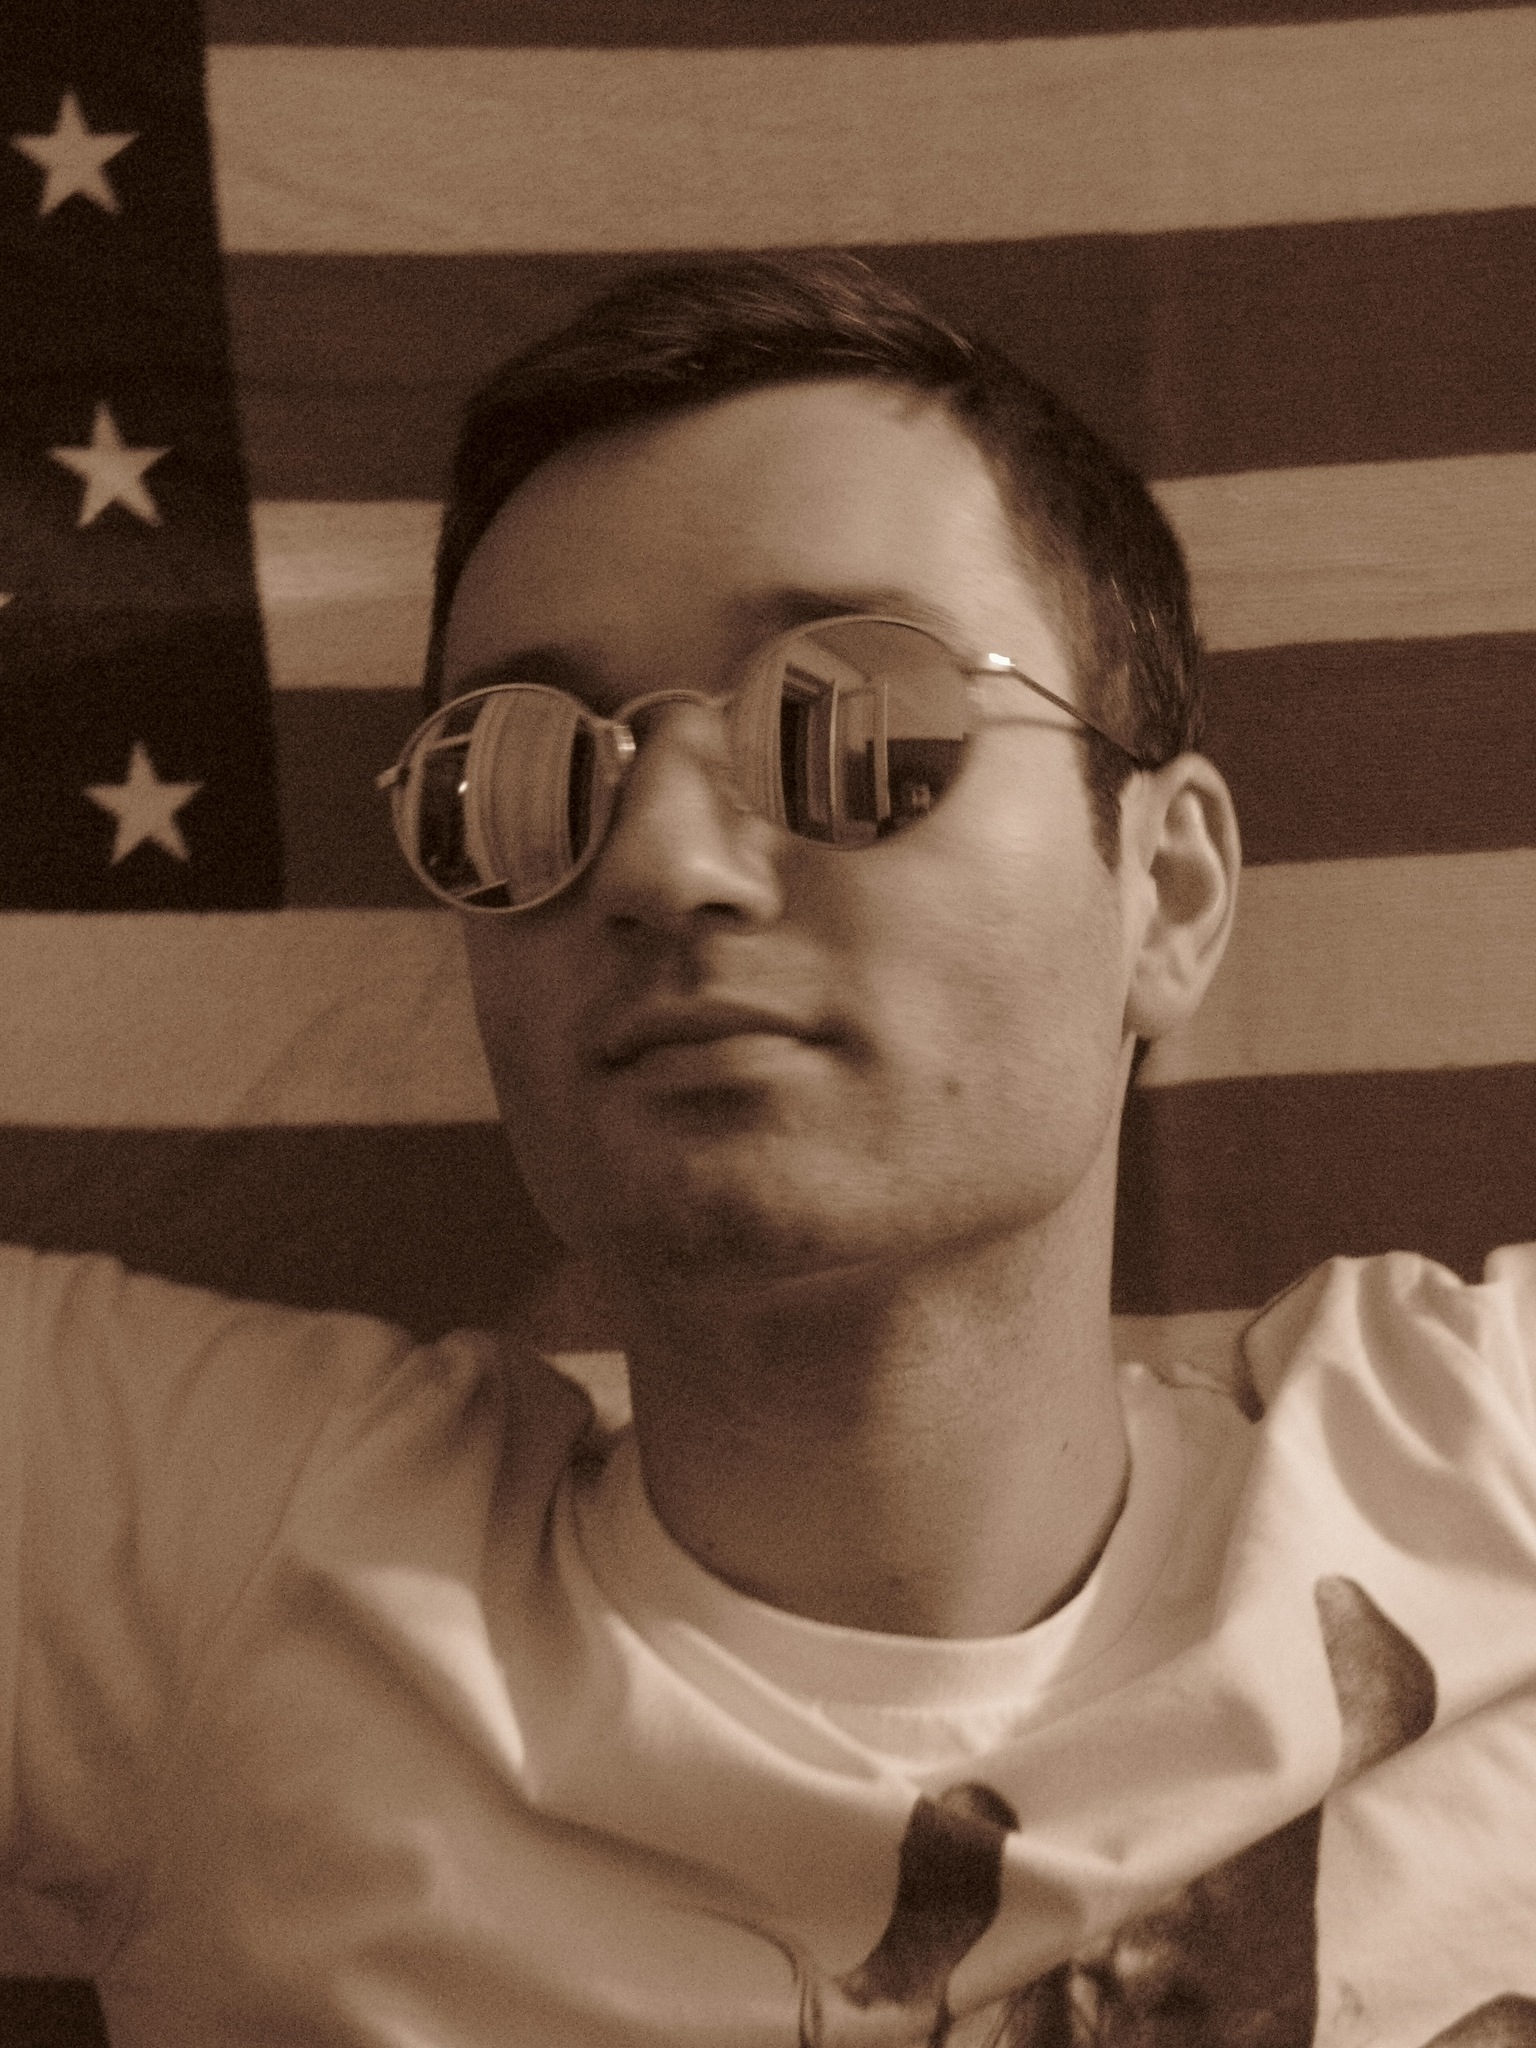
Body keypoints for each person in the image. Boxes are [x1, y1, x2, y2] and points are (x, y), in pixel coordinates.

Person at [3, 255, 1535, 2048]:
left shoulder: (1487, 1471)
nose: (658, 863)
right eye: (518, 777)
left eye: (858, 725)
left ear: (1168, 891)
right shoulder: (223, 1573)